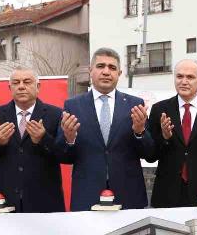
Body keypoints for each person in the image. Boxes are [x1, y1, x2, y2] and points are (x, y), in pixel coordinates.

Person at [57, 47, 154, 211]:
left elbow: (150, 153)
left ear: (119, 73)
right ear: (90, 70)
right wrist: (69, 139)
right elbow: (63, 156)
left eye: (112, 68)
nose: (106, 72)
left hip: (128, 195)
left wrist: (140, 132)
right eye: (101, 66)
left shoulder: (135, 105)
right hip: (87, 194)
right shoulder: (73, 106)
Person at [0, 67, 66, 212]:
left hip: (45, 201)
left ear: (38, 86)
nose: (21, 86)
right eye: (16, 83)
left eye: (27, 82)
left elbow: (64, 155)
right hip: (5, 201)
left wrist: (43, 139)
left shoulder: (56, 115)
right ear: (9, 88)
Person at [147, 59, 197, 207]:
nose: (184, 81)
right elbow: (150, 156)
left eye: (190, 77)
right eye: (179, 76)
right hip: (167, 192)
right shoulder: (160, 109)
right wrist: (164, 138)